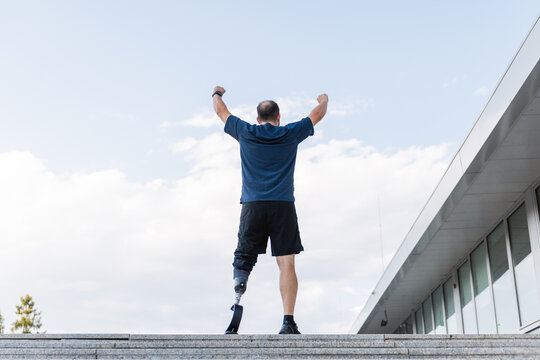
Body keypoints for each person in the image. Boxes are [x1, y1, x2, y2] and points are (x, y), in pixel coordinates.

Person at [212, 86, 328, 334]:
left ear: (257, 118)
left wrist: (217, 93)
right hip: (282, 205)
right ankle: (288, 321)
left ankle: (237, 299)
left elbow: (221, 111)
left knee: (243, 257)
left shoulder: (245, 131)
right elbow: (318, 114)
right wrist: (324, 99)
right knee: (287, 264)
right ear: (278, 118)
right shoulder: (289, 133)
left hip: (252, 205)